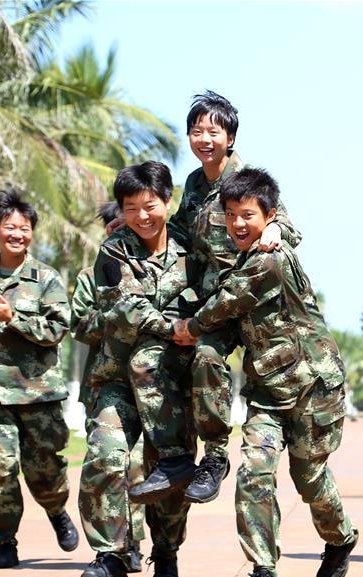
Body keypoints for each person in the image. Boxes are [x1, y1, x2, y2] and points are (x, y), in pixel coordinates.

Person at [174, 167, 358, 577]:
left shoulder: (270, 259)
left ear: (270, 215)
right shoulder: (242, 258)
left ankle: (341, 538)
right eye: (232, 215)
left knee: (309, 478)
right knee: (254, 474)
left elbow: (227, 302)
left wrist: (190, 326)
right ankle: (263, 570)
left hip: (314, 387)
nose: (239, 224)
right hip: (267, 391)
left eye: (249, 215)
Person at [126, 91, 300, 505]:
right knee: (161, 359)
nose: (204, 138)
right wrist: (137, 218)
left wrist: (276, 232)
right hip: (211, 303)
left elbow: (286, 227)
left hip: (252, 304)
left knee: (212, 358)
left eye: (214, 131)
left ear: (231, 137)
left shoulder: (246, 180)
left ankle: (218, 456)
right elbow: (181, 234)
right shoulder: (192, 185)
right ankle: (192, 457)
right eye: (196, 130)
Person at [78, 162, 197, 577]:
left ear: (167, 201)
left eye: (149, 205)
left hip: (174, 379)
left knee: (169, 471)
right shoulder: (113, 250)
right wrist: (172, 326)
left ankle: (166, 553)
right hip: (116, 378)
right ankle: (109, 555)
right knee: (105, 456)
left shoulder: (192, 247)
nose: (141, 216)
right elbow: (123, 307)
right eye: (131, 208)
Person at [0, 189, 78, 569]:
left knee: (44, 469)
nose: (17, 235)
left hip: (38, 394)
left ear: (31, 233)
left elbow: (58, 328)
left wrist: (14, 320)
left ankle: (57, 511)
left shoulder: (46, 279)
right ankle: (5, 542)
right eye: (9, 227)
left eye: (23, 228)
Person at [70, 201, 143, 577]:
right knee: (107, 459)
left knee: (139, 468)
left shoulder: (160, 266)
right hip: (106, 385)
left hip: (156, 387)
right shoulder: (90, 276)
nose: (120, 232)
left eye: (125, 224)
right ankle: (111, 551)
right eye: (113, 227)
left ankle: (135, 544)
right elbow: (81, 324)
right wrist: (121, 313)